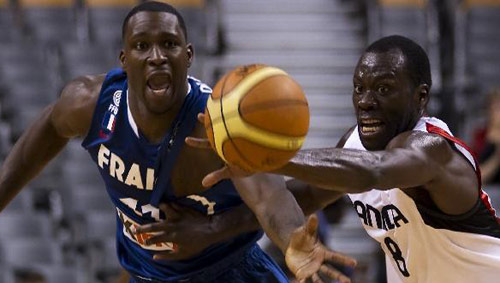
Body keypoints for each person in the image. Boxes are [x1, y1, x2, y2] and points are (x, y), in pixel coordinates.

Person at [0, 2, 356, 282]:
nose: (156, 56)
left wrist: (293, 238)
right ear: (125, 60)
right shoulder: (90, 104)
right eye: (142, 46)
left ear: (188, 56)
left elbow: (270, 196)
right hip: (145, 274)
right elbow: (50, 124)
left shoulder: (215, 124)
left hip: (230, 273)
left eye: (168, 44)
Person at [189, 35, 500, 282]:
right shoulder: (354, 145)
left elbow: (376, 172)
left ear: (420, 97)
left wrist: (264, 156)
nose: (365, 101)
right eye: (359, 88)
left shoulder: (432, 149)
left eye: (383, 89)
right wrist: (208, 229)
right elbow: (304, 195)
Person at [472, 88, 500, 184]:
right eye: (491, 108)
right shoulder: (481, 135)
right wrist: (496, 159)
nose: (493, 112)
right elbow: (478, 176)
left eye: (497, 108)